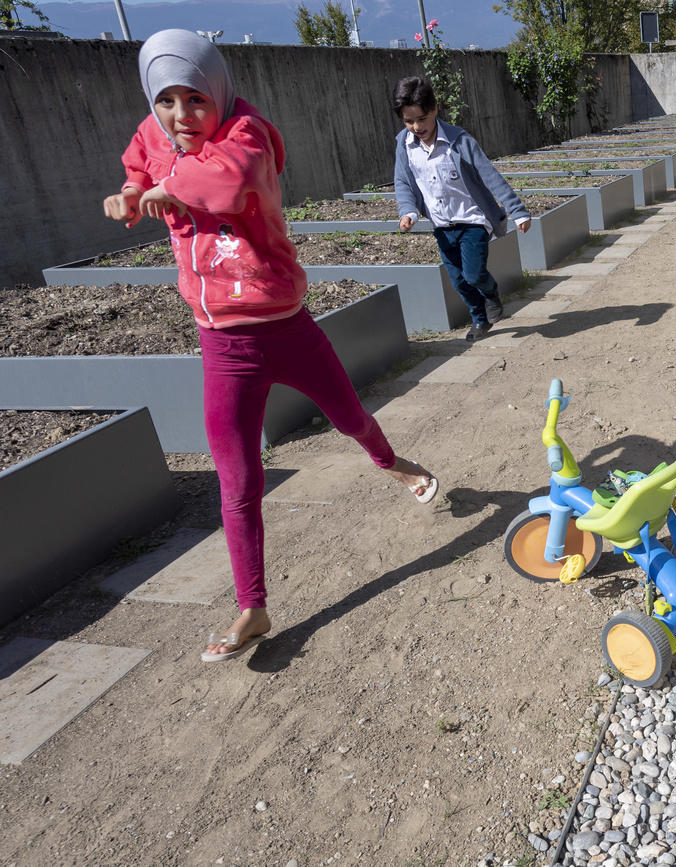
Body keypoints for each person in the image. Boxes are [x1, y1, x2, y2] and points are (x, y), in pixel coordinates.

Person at [103, 30, 438, 663]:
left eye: (195, 100)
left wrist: (166, 187)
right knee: (237, 481)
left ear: (219, 92)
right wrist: (128, 196)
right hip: (222, 345)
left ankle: (392, 463)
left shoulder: (247, 133)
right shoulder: (156, 135)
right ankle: (252, 607)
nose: (181, 116)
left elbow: (229, 183)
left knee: (350, 418)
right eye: (167, 101)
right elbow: (139, 169)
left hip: (286, 326)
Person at [391, 76, 532, 341]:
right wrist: (408, 212)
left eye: (421, 119)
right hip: (442, 225)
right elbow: (403, 181)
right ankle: (480, 319)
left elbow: (489, 175)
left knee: (473, 273)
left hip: (473, 220)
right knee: (458, 281)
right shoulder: (404, 144)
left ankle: (490, 292)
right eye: (408, 121)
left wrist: (518, 210)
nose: (416, 127)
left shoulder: (460, 140)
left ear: (434, 109)